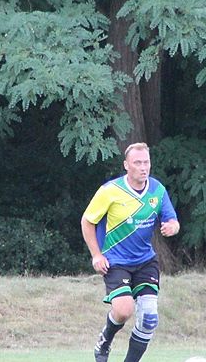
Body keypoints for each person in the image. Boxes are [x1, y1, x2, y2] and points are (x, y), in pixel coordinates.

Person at [81, 142, 181, 362]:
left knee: (149, 319)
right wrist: (96, 255)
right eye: (137, 163)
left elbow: (172, 220)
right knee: (124, 310)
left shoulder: (157, 190)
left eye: (146, 162)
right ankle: (104, 340)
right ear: (126, 165)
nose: (143, 167)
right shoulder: (110, 191)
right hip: (115, 261)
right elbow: (87, 221)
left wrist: (172, 227)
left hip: (146, 261)